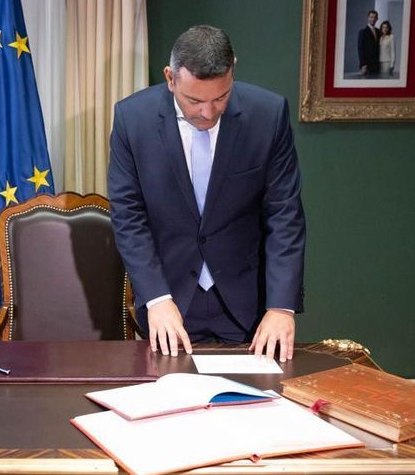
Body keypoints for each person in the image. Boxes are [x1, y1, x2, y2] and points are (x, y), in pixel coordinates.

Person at [108, 25, 305, 362]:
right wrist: (156, 298)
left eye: (221, 98)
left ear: (233, 70)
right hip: (170, 301)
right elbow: (128, 216)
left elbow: (285, 214)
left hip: (248, 303)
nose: (208, 113)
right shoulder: (132, 119)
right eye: (194, 100)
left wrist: (281, 306)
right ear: (170, 78)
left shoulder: (268, 115)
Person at [358, 10, 380, 77]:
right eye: (371, 17)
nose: (373, 19)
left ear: (377, 19)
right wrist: (363, 64)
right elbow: (360, 49)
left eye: (374, 17)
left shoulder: (378, 31)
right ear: (368, 18)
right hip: (367, 65)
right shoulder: (363, 32)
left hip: (377, 64)